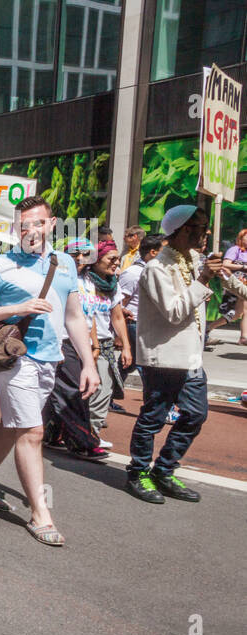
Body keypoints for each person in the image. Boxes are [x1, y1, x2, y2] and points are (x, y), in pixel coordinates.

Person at [0, 195, 98, 546]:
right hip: (14, 358)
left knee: (12, 427)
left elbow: (74, 317)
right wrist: (19, 307)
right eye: (24, 225)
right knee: (32, 432)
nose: (32, 231)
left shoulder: (65, 263)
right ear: (15, 228)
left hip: (50, 359)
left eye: (39, 223)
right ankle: (41, 514)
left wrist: (88, 363)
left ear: (51, 224)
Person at [124, 205, 247, 504]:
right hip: (164, 357)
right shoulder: (156, 268)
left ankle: (163, 470)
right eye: (198, 228)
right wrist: (203, 278)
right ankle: (138, 472)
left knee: (195, 414)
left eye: (205, 227)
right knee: (153, 418)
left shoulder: (195, 259)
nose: (205, 234)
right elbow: (175, 312)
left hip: (191, 357)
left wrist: (224, 275)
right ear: (179, 231)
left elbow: (232, 285)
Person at [40, 238, 107, 460]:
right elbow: (55, 313)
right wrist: (56, 344)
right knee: (73, 391)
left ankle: (51, 432)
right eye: (75, 253)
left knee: (64, 389)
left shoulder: (89, 282)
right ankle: (82, 442)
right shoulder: (58, 277)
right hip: (63, 340)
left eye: (85, 254)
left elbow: (89, 315)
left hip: (82, 342)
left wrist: (93, 344)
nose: (80, 258)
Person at [79, 241, 129, 442]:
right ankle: (75, 432)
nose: (116, 263)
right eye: (111, 259)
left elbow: (117, 317)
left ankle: (93, 432)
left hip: (105, 344)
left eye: (118, 259)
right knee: (86, 389)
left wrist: (126, 346)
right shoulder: (82, 282)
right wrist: (93, 345)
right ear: (96, 260)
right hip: (83, 342)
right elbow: (85, 315)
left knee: (104, 389)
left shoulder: (113, 285)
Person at [117, 235, 161, 384]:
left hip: (148, 324)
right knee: (145, 363)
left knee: (130, 363)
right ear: (153, 252)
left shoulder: (156, 271)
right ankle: (155, 400)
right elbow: (120, 302)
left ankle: (110, 392)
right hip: (134, 323)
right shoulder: (133, 273)